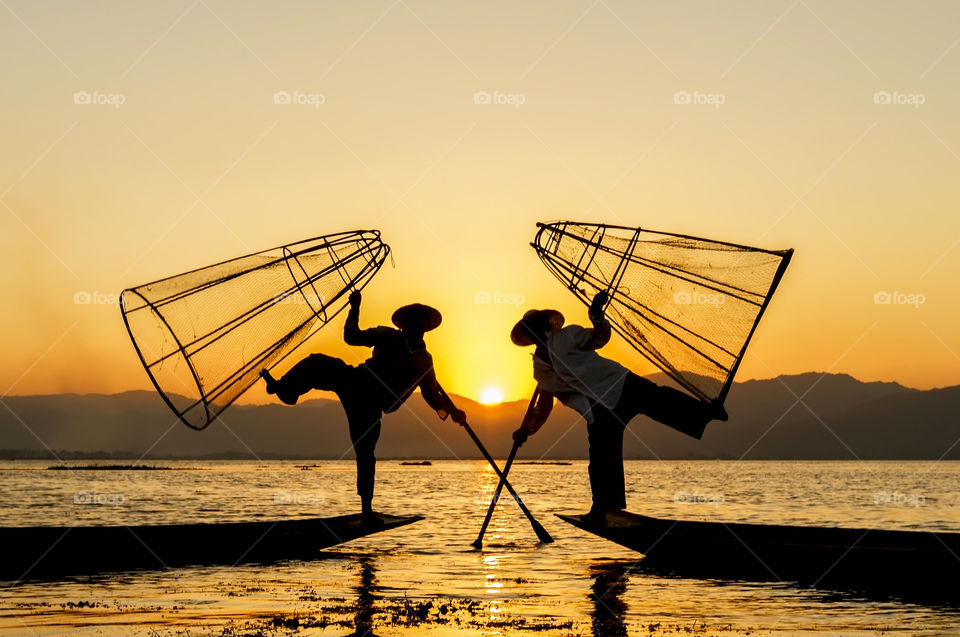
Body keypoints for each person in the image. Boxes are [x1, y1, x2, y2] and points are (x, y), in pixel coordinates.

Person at [510, 291, 727, 525]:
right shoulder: (540, 370)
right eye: (530, 329)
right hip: (598, 408)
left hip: (618, 382)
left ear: (544, 326)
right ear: (529, 336)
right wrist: (527, 429)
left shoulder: (568, 336)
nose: (535, 331)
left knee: (660, 399)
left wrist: (597, 316)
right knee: (602, 457)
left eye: (536, 325)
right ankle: (604, 509)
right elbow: (543, 405)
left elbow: (598, 338)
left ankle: (707, 413)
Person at [261, 290, 465, 526]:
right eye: (411, 319)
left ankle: (366, 511)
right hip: (356, 381)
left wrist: (452, 412)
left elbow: (431, 394)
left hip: (372, 404)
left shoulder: (425, 361)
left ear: (426, 326)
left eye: (420, 320)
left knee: (365, 453)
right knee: (317, 362)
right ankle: (286, 389)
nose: (414, 323)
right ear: (405, 324)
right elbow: (352, 337)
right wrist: (355, 307)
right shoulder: (386, 335)